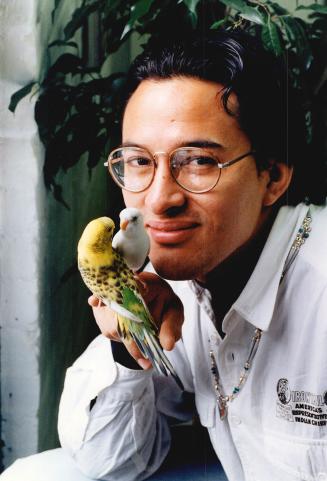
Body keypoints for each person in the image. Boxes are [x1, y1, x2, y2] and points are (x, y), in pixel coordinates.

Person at [2, 29, 327, 481]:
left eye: (196, 161)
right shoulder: (171, 283)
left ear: (272, 176)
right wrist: (126, 347)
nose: (157, 199)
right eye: (138, 161)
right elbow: (107, 462)